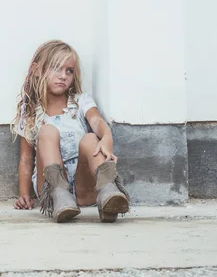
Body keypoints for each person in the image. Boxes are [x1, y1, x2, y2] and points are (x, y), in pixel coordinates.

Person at [9, 40, 130, 223]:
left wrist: (106, 137)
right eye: (56, 68)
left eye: (69, 71)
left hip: (84, 188)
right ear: (36, 70)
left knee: (90, 138)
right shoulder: (31, 114)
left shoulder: (81, 102)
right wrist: (24, 195)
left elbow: (96, 121)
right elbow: (26, 160)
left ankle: (108, 193)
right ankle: (60, 195)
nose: (63, 76)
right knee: (47, 132)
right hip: (50, 187)